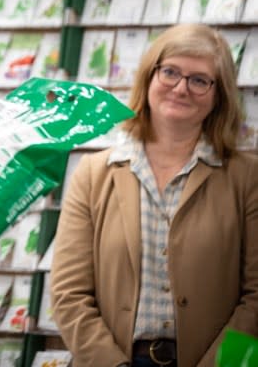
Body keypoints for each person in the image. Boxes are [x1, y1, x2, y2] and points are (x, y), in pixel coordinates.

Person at [50, 23, 258, 367]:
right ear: (149, 77)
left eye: (199, 80)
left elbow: (256, 299)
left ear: (218, 95)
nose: (181, 88)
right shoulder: (94, 173)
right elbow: (67, 294)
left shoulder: (246, 178)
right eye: (170, 72)